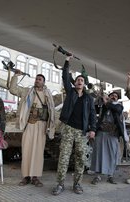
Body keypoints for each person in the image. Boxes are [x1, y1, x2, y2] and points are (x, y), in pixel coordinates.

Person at [52, 56, 96, 195]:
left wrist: (93, 129)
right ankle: (60, 184)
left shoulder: (89, 98)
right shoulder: (70, 92)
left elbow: (92, 115)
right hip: (69, 129)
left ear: (84, 84)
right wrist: (66, 61)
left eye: (82, 80)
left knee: (81, 158)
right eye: (77, 80)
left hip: (82, 132)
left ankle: (77, 184)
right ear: (75, 83)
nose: (79, 82)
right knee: (64, 157)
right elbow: (65, 77)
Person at [9, 72, 55, 187]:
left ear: (43, 82)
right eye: (36, 79)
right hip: (29, 124)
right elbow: (13, 90)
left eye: (39, 79)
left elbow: (51, 110)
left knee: (38, 152)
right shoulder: (27, 92)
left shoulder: (47, 94)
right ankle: (26, 176)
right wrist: (15, 76)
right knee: (27, 150)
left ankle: (35, 177)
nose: (37, 80)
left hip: (42, 125)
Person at [90, 91, 125, 185]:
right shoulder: (104, 105)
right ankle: (97, 176)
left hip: (112, 133)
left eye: (116, 96)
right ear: (108, 97)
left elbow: (116, 109)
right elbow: (94, 108)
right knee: (98, 154)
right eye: (112, 95)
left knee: (112, 154)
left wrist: (107, 102)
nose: (114, 97)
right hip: (101, 132)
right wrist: (99, 98)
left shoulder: (119, 106)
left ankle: (110, 176)